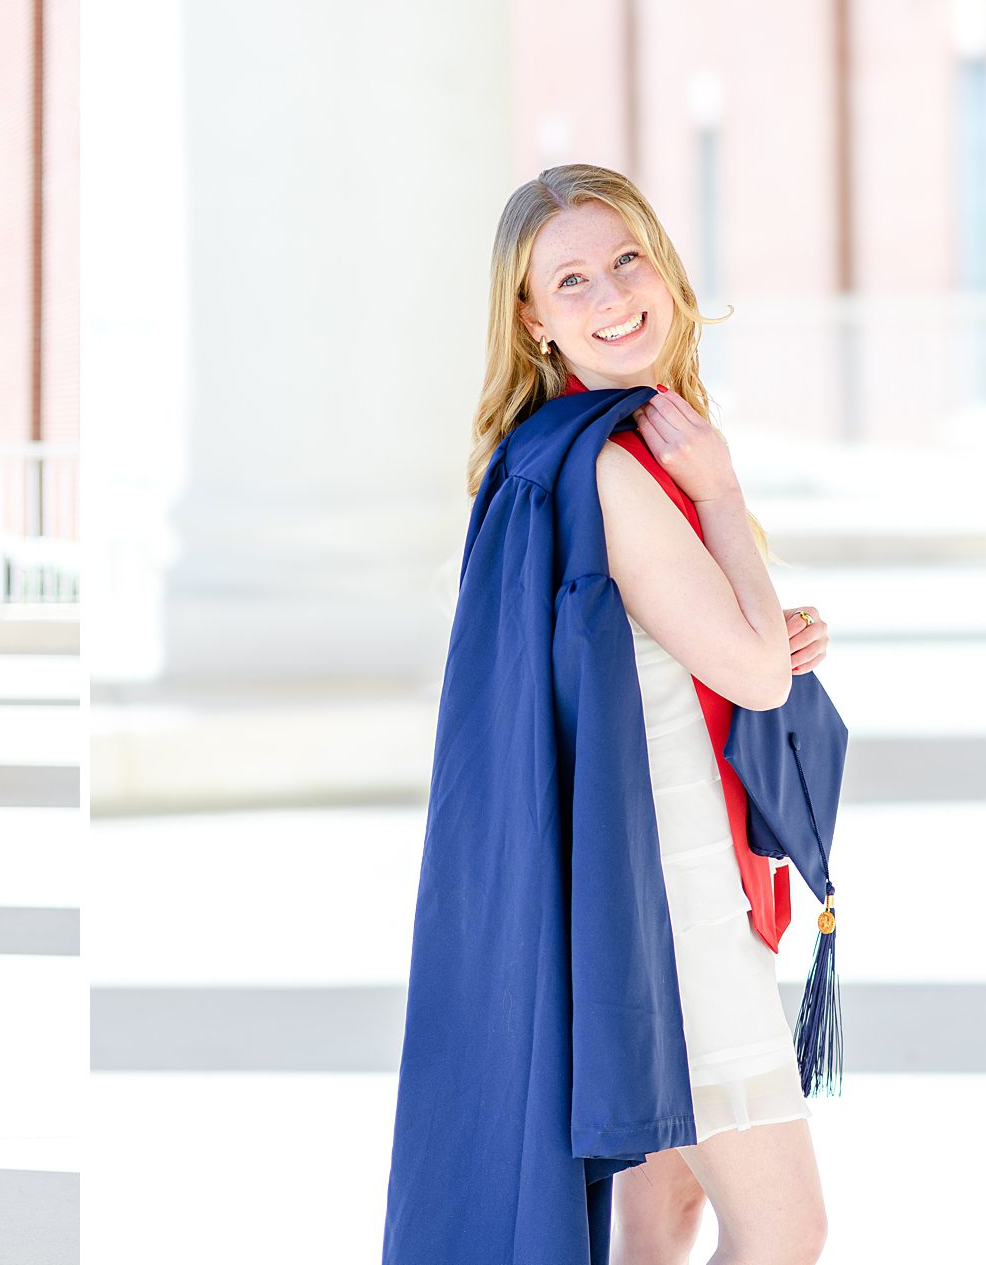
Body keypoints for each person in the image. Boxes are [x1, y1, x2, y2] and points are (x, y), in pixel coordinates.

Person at [383, 164, 834, 1265]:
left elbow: (706, 655)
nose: (610, 294)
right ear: (531, 318)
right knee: (782, 1233)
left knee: (664, 1214)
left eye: (625, 258)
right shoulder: (613, 468)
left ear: (665, 269)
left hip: (644, 878)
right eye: (570, 279)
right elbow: (756, 678)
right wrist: (725, 503)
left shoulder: (581, 446)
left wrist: (753, 623)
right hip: (666, 893)